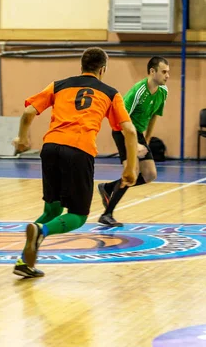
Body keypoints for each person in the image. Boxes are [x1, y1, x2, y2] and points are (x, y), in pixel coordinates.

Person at [12, 47, 138, 278]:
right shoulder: (110, 93)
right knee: (78, 215)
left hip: (50, 148)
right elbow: (129, 130)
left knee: (52, 209)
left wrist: (22, 139)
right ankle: (41, 231)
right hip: (79, 150)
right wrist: (130, 167)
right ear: (102, 70)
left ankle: (24, 261)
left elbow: (29, 113)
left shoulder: (59, 85)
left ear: (81, 66)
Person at [96, 57, 170, 227]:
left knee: (150, 175)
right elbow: (121, 118)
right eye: (164, 72)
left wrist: (147, 140)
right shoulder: (138, 91)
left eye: (168, 72)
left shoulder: (163, 91)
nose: (167, 76)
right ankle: (107, 214)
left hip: (137, 133)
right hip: (122, 129)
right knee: (132, 172)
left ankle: (108, 188)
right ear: (152, 71)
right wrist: (133, 144)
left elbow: (154, 116)